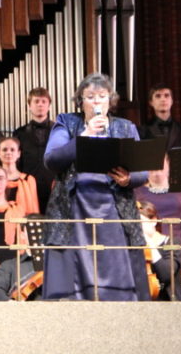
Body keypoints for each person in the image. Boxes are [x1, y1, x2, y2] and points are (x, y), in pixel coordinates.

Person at [42, 72, 151, 301]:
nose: (96, 102)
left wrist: (128, 178)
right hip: (75, 208)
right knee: (76, 274)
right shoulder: (66, 122)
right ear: (80, 101)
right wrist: (86, 134)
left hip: (114, 209)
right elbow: (52, 160)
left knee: (115, 268)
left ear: (110, 100)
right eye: (90, 97)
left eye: (101, 96)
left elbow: (143, 172)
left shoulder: (125, 127)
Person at [133, 154, 181, 272]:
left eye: (160, 165)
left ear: (169, 165)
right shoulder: (137, 192)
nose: (156, 171)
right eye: (152, 166)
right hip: (150, 251)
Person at [13, 87, 56, 213]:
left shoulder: (59, 130)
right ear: (29, 106)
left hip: (53, 187)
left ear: (49, 106)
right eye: (36, 101)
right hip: (27, 187)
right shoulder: (19, 133)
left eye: (44, 101)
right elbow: (17, 163)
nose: (40, 105)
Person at [138, 201, 181, 301]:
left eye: (140, 222)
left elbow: (166, 274)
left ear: (154, 221)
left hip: (169, 303)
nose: (138, 227)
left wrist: (149, 242)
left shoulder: (172, 242)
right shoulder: (136, 246)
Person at [0, 137, 40, 215]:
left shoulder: (28, 180)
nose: (8, 153)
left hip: (22, 221)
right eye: (4, 150)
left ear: (18, 154)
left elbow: (34, 209)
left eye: (12, 150)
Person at [137, 83, 181, 151]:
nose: (163, 99)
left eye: (166, 95)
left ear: (172, 101)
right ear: (151, 102)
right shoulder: (143, 131)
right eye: (158, 96)